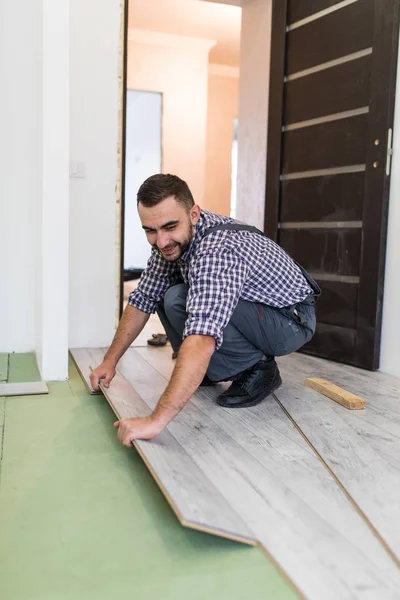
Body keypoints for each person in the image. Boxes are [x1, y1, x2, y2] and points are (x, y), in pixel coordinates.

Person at [90, 174, 320, 446]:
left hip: (289, 320)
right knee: (172, 296)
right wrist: (110, 361)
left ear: (194, 214)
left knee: (199, 308)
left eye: (169, 226)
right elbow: (143, 299)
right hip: (260, 312)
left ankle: (260, 370)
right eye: (150, 230)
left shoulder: (218, 251)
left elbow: (202, 336)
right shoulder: (173, 242)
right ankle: (213, 371)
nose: (161, 241)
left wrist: (155, 421)